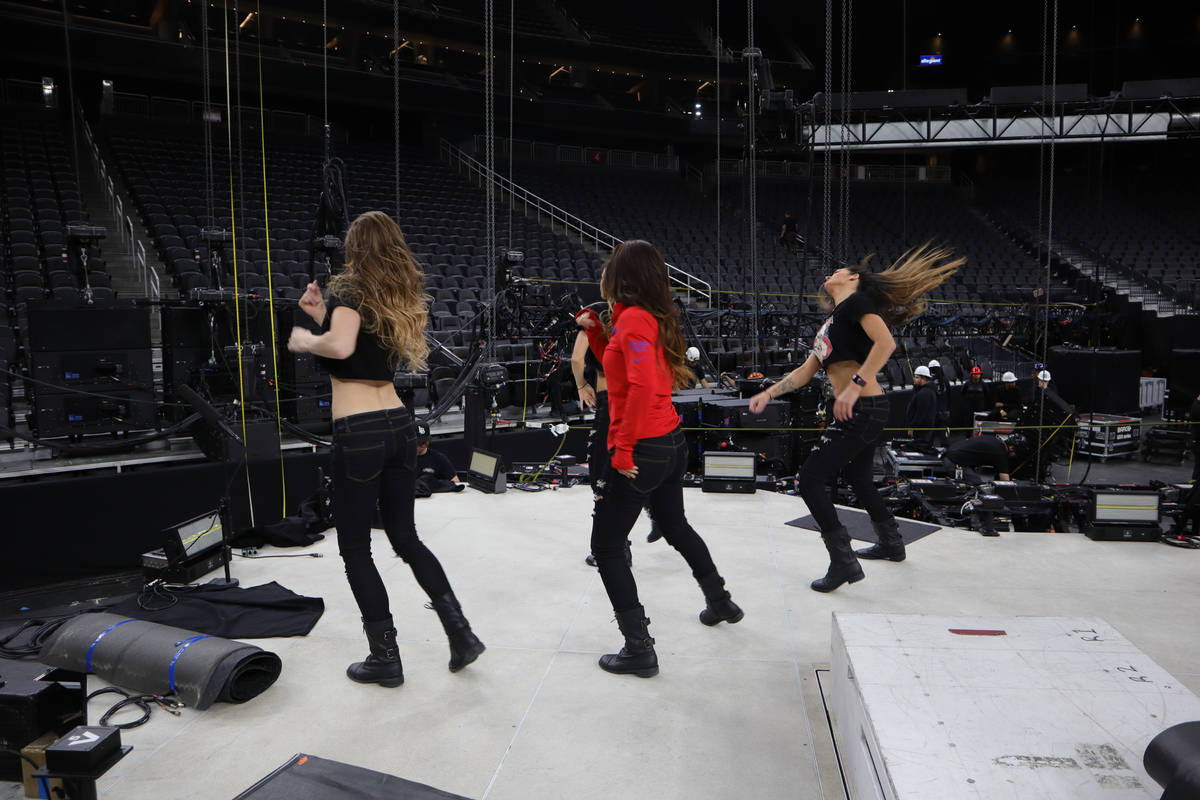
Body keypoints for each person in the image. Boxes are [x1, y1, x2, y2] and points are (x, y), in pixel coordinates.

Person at [288, 210, 484, 687]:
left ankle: (385, 657)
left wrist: (305, 337)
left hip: (359, 431)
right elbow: (359, 349)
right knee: (405, 538)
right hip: (399, 425)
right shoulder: (392, 296)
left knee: (356, 548)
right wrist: (322, 318)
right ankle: (460, 633)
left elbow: (339, 348)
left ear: (356, 247)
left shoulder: (350, 290)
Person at [749, 244, 962, 589]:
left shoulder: (857, 304)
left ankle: (843, 560)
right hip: (861, 407)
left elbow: (886, 344)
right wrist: (769, 392)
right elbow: (806, 371)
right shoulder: (832, 321)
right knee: (859, 478)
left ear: (853, 277)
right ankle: (892, 543)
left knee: (810, 480)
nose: (828, 275)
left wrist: (853, 387)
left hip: (863, 406)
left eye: (836, 270)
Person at [580, 240, 743, 678]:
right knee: (674, 526)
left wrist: (624, 448)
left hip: (644, 447)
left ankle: (639, 647)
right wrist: (597, 334)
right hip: (669, 442)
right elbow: (624, 372)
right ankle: (720, 600)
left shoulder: (634, 320)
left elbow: (638, 389)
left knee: (607, 546)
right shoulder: (648, 318)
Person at [944, 433, 1015, 483]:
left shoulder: (995, 441)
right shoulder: (999, 453)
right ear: (1011, 447)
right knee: (976, 484)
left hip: (952, 452)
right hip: (954, 461)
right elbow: (1005, 480)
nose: (1015, 455)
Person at [415, 423, 462, 493]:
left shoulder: (438, 458)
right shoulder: (402, 458)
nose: (422, 445)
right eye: (418, 442)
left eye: (424, 442)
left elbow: (456, 481)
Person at [906, 365, 938, 443]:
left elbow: (920, 413)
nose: (914, 379)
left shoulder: (924, 393)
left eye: (917, 377)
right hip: (924, 429)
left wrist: (912, 427)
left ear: (924, 378)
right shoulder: (926, 391)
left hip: (921, 430)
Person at [928, 358, 951, 445]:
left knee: (930, 436)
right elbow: (949, 397)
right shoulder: (945, 380)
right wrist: (948, 409)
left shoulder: (929, 382)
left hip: (932, 413)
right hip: (943, 412)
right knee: (943, 435)